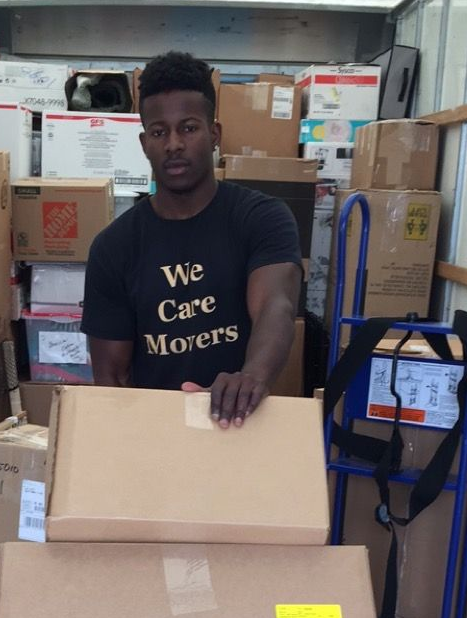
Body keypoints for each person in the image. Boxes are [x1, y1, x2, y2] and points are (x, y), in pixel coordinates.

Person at [81, 50, 302, 428]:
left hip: (241, 424)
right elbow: (112, 380)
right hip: (157, 435)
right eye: (158, 131)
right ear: (143, 143)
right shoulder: (113, 248)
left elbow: (274, 306)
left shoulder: (261, 217)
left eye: (188, 127)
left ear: (214, 134)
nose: (173, 144)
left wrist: (252, 377)